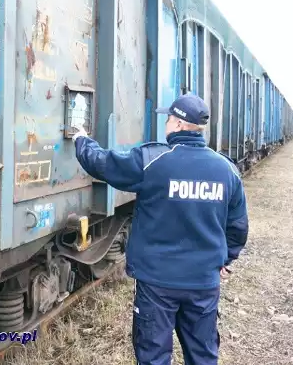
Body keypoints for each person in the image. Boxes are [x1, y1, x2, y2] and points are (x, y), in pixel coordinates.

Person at [72, 93, 249, 365]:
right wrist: (226, 259)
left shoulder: (153, 160)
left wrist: (81, 139)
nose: (166, 125)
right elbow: (237, 227)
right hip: (203, 282)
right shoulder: (226, 170)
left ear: (178, 124)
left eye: (168, 119)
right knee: (203, 356)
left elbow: (104, 164)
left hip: (157, 283)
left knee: (153, 357)